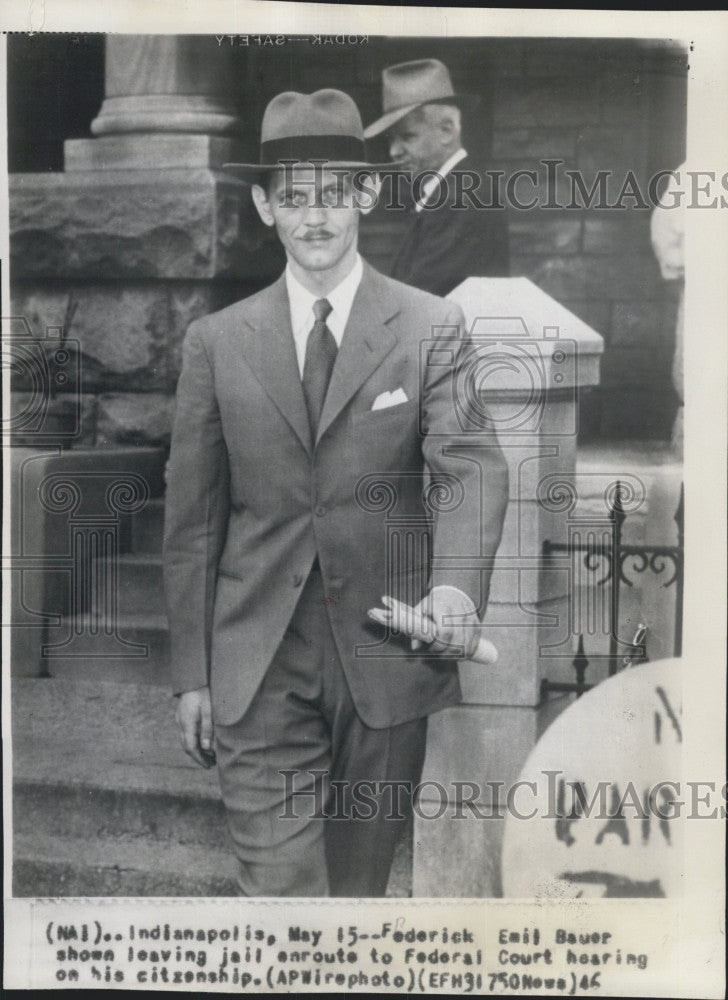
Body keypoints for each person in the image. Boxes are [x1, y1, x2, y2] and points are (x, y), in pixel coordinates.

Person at [163, 88, 509, 897]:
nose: (314, 219)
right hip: (257, 658)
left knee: (353, 898)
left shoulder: (430, 328)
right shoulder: (216, 342)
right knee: (281, 891)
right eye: (293, 198)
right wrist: (193, 671)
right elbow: (192, 519)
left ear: (366, 195)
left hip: (386, 656)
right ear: (263, 207)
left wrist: (456, 588)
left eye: (332, 195)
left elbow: (469, 465)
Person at [364, 58, 509, 296]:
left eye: (408, 137)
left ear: (446, 131)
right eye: (391, 139)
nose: (393, 151)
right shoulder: (449, 192)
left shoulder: (460, 199)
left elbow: (421, 297)